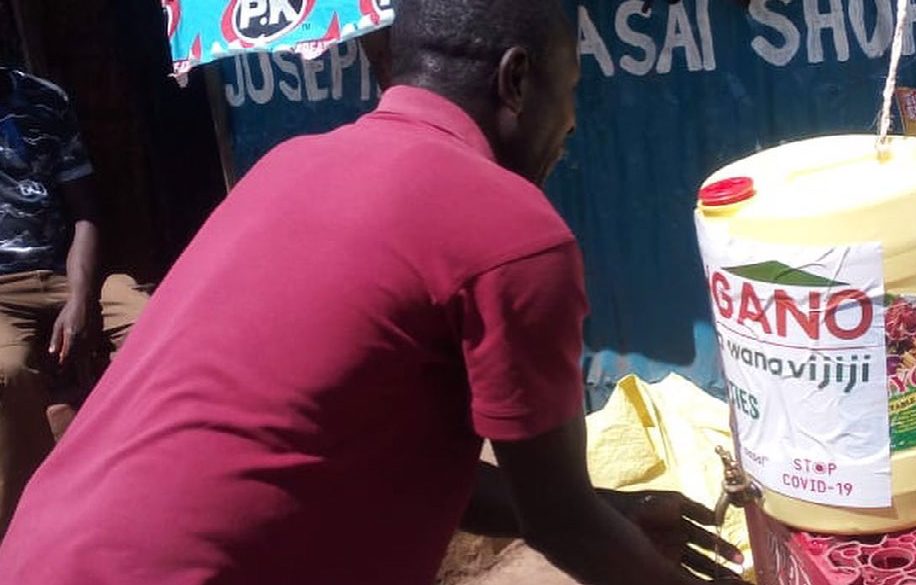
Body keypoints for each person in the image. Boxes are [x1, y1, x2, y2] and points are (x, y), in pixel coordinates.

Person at [0, 1, 747, 583]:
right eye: (572, 89)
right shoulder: (512, 230)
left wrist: (610, 507)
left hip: (41, 548)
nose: (574, 121)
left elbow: (327, 447)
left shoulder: (289, 166)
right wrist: (599, 521)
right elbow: (563, 524)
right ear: (517, 80)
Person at [0, 66, 148, 537]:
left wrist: (81, 297)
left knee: (148, 323)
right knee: (8, 370)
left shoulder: (42, 98)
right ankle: (28, 524)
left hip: (69, 272)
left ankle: (143, 477)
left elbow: (85, 212)